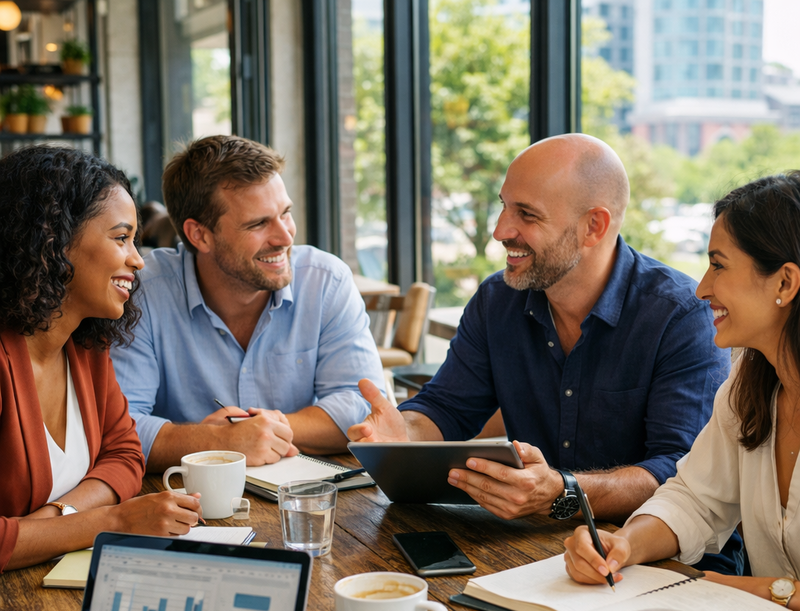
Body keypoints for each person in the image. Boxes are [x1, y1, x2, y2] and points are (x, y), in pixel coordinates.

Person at [349, 134, 730, 527]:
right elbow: (447, 408)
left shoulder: (680, 316)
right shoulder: (497, 300)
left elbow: (679, 475)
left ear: (593, 227)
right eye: (504, 207)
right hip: (541, 544)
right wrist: (402, 434)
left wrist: (562, 492)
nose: (499, 231)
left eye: (526, 214)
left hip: (661, 559)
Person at [564, 172, 800, 611]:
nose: (702, 288)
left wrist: (768, 591)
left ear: (784, 283)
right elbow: (695, 500)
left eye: (719, 264)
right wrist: (623, 546)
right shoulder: (747, 388)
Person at [110, 135, 384, 471]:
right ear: (200, 235)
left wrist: (254, 431)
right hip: (187, 504)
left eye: (285, 213)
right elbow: (119, 429)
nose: (285, 237)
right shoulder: (144, 291)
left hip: (308, 497)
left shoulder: (327, 281)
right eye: (258, 223)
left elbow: (365, 409)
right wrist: (217, 442)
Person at [0, 146, 202, 573]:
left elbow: (126, 453)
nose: (138, 260)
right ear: (51, 239)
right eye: (120, 237)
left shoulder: (85, 347)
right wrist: (112, 520)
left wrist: (53, 522)